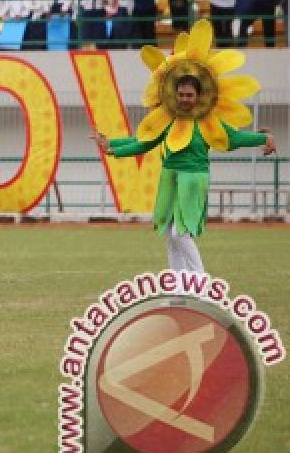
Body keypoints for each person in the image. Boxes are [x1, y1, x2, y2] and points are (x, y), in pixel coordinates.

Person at [94, 20, 276, 274]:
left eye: (189, 95)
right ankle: (178, 285)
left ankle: (200, 282)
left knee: (182, 233)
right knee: (169, 233)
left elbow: (234, 139)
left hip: (193, 178)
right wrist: (112, 145)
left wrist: (262, 138)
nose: (185, 99)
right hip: (170, 176)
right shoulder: (169, 118)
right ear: (174, 94)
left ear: (199, 96)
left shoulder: (209, 120)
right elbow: (144, 141)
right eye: (181, 95)